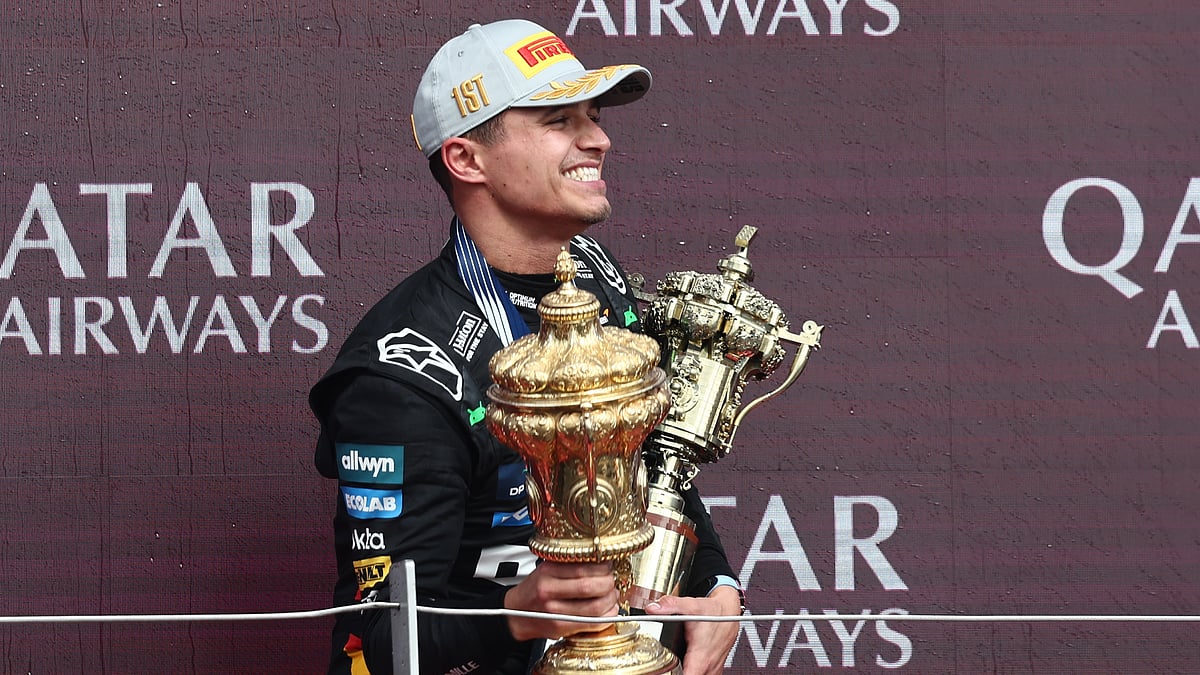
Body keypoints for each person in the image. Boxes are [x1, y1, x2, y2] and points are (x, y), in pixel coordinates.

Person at [309, 18, 742, 675]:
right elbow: (377, 646)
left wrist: (714, 583)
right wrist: (519, 614)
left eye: (592, 116)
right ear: (466, 159)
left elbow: (659, 462)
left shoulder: (594, 271)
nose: (597, 138)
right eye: (556, 121)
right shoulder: (402, 374)